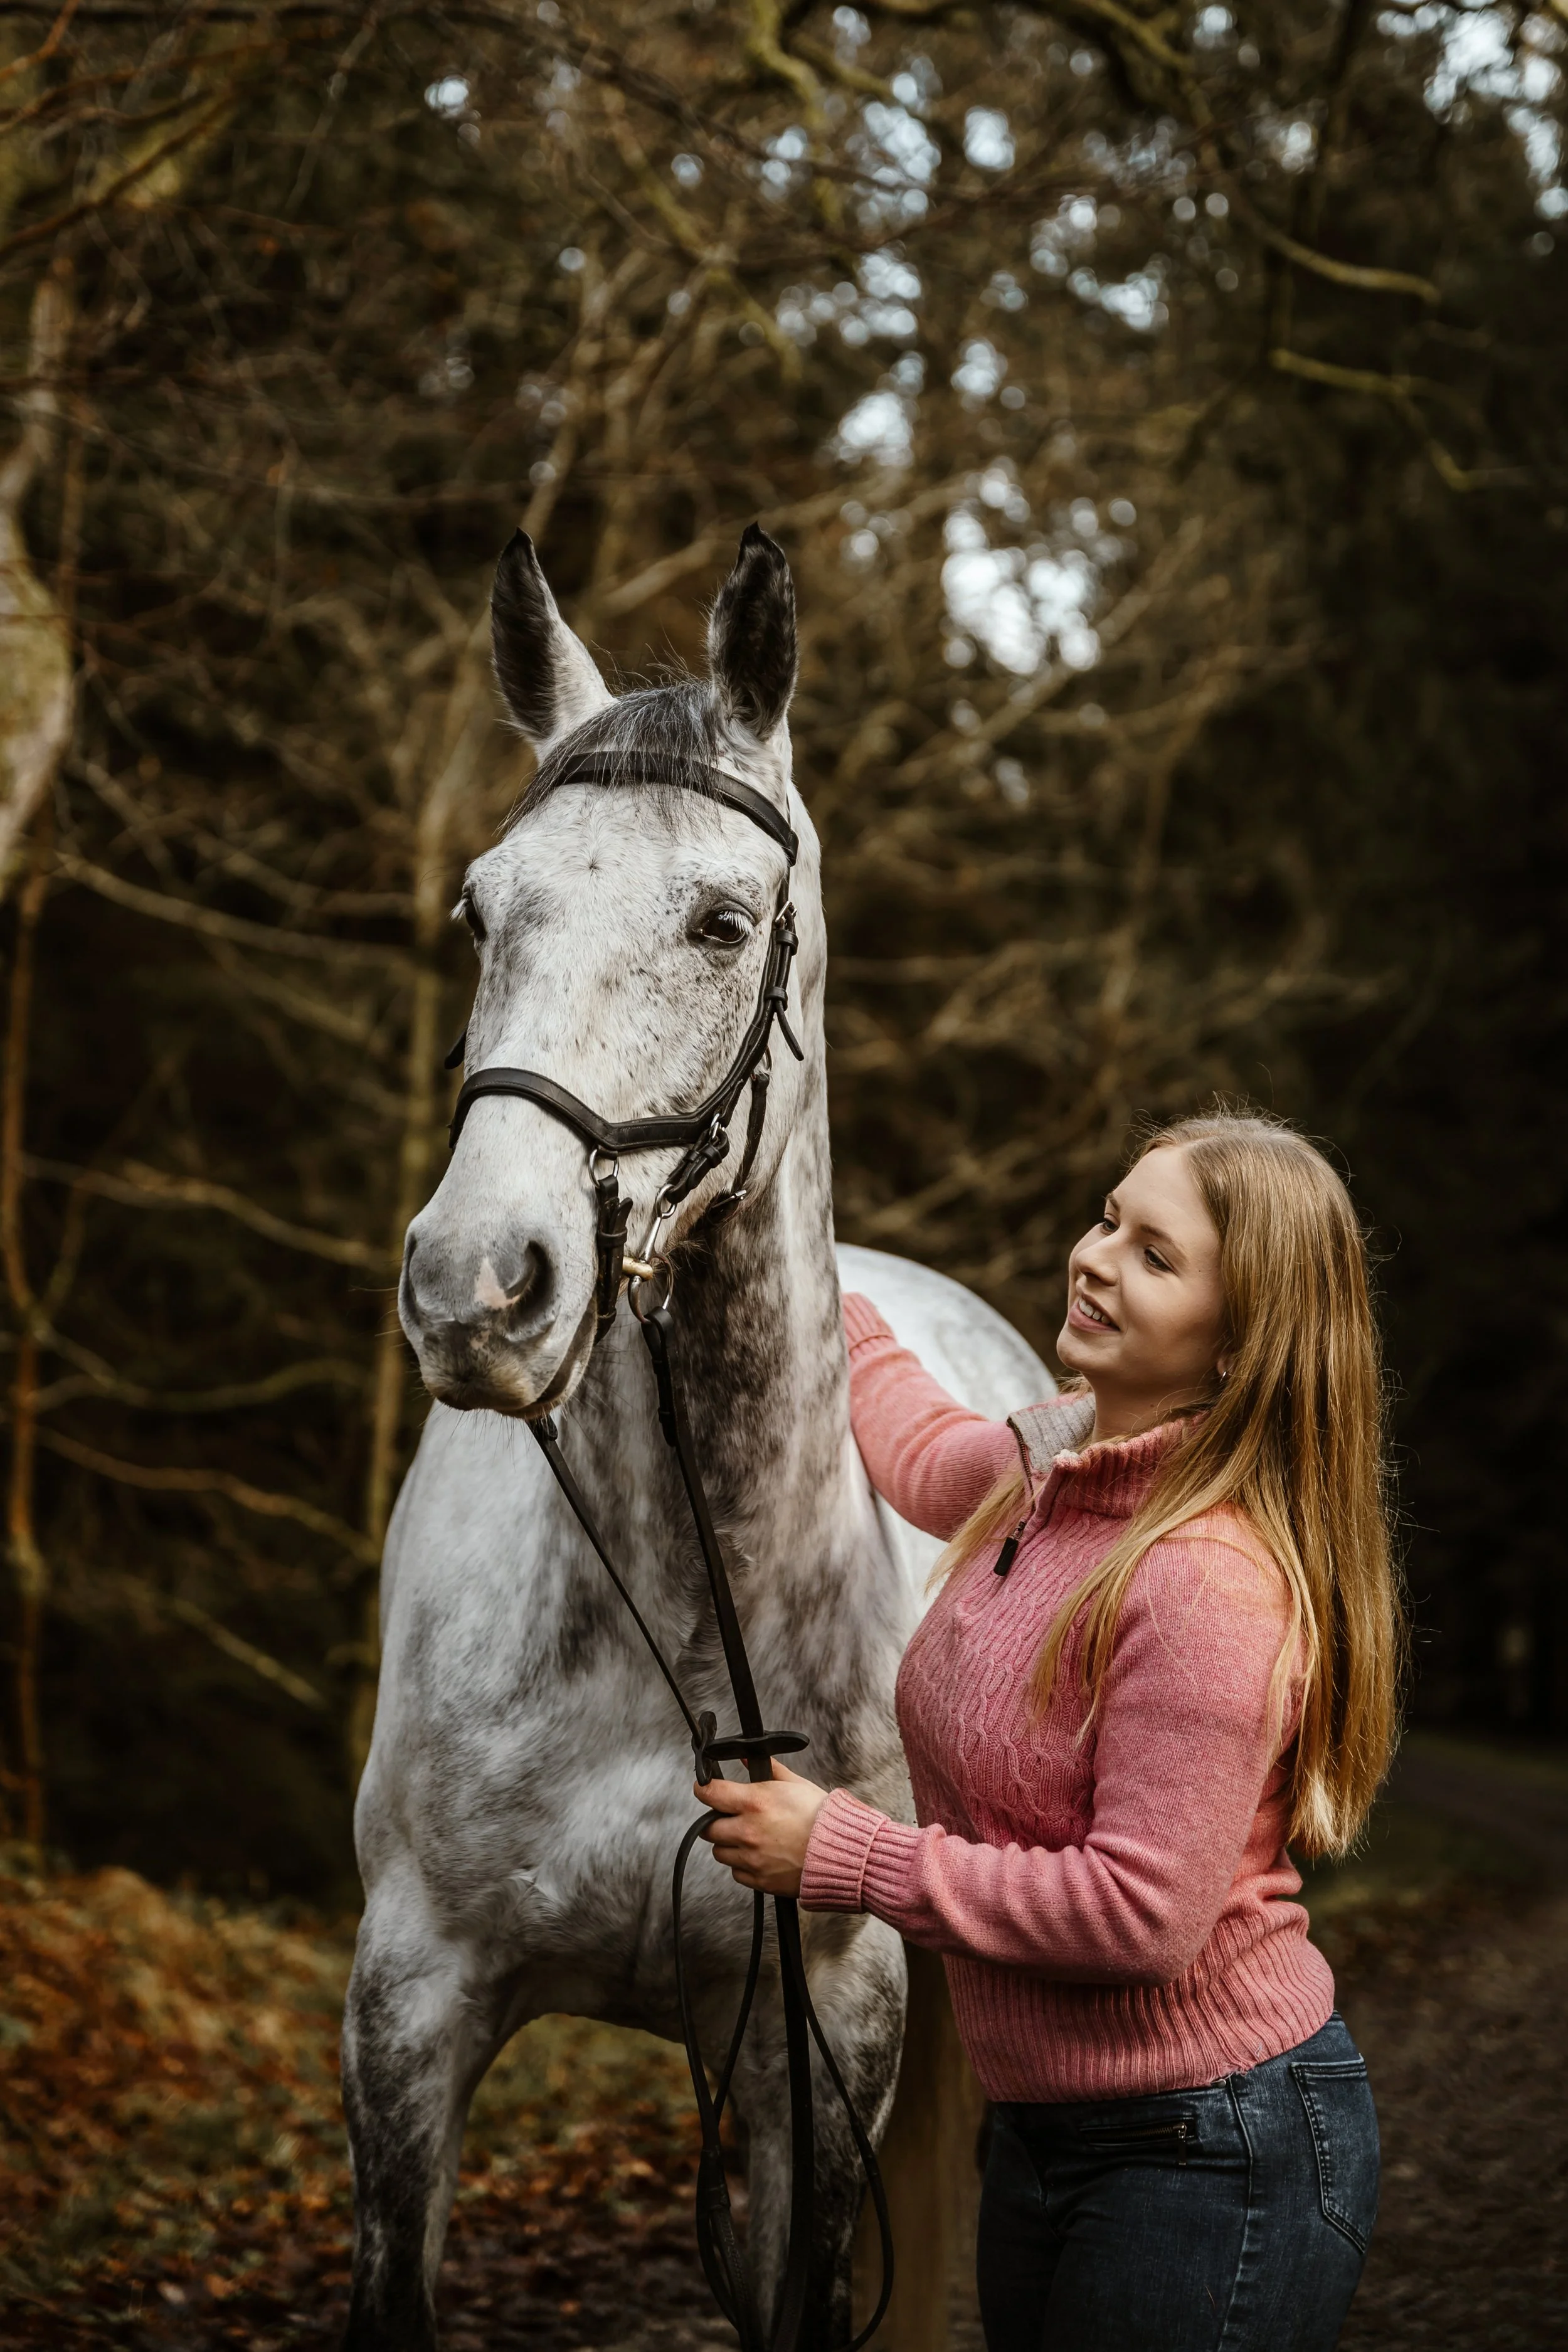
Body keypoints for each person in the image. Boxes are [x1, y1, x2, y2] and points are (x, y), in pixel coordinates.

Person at [697, 1106, 1402, 2352]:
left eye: (1154, 1255)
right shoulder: (1058, 1464)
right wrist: (809, 1279)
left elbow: (1139, 1915)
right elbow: (920, 1448)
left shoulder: (1203, 1582)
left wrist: (846, 1853)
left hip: (1211, 2151)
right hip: (1047, 2133)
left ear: (1241, 1341)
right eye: (1107, 1220)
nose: (1095, 1258)